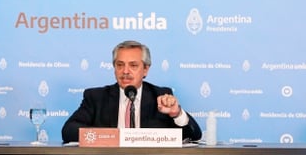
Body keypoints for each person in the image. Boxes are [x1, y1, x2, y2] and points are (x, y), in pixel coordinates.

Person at [61, 40, 202, 143]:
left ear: (145, 69)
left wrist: (176, 113)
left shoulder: (160, 96)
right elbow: (68, 131)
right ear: (114, 67)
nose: (125, 71)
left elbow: (194, 135)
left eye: (133, 65)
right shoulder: (96, 97)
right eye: (120, 65)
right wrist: (111, 137)